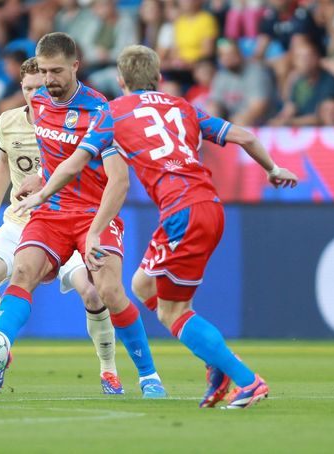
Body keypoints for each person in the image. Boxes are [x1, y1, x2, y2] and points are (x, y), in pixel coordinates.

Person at [108, 45, 298, 409]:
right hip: (208, 206)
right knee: (142, 284)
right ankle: (219, 367)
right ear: (159, 78)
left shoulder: (113, 113)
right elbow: (244, 136)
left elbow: (86, 157)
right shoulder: (182, 106)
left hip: (182, 212)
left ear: (120, 81)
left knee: (172, 312)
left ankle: (246, 379)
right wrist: (273, 170)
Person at [1, 32, 167, 399]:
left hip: (95, 213)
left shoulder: (100, 110)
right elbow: (54, 162)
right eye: (43, 71)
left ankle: (148, 375)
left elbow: (117, 180)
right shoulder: (40, 101)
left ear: (75, 66)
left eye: (56, 71)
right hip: (52, 212)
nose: (48, 80)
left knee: (107, 290)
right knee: (23, 270)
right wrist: (40, 179)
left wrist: (96, 229)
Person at [0, 57, 123, 395]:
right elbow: (4, 160)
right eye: (28, 88)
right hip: (23, 220)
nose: (36, 93)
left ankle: (108, 368)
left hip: (71, 216)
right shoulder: (7, 122)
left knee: (93, 292)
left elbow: (89, 166)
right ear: (21, 88)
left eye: (41, 86)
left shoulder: (73, 119)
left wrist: (46, 182)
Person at [208, 38, 275, 126]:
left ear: (240, 54)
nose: (228, 58)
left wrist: (232, 125)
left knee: (241, 121)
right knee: (212, 110)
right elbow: (215, 103)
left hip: (262, 124)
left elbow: (259, 107)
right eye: (223, 55)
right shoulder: (221, 76)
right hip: (232, 122)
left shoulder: (256, 72)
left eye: (231, 54)